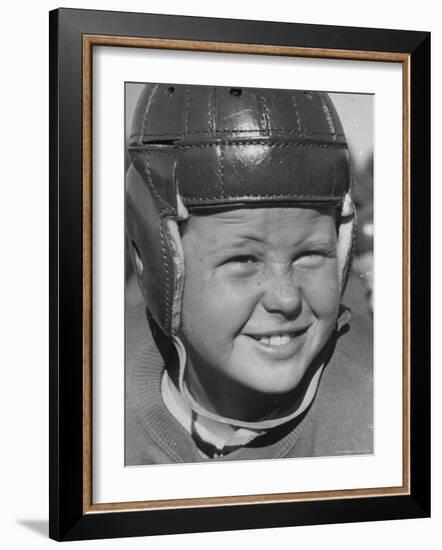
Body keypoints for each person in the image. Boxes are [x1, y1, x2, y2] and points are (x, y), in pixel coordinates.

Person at [125, 84, 373, 464]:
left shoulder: (390, 407)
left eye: (310, 255)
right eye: (243, 261)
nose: (286, 298)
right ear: (160, 260)